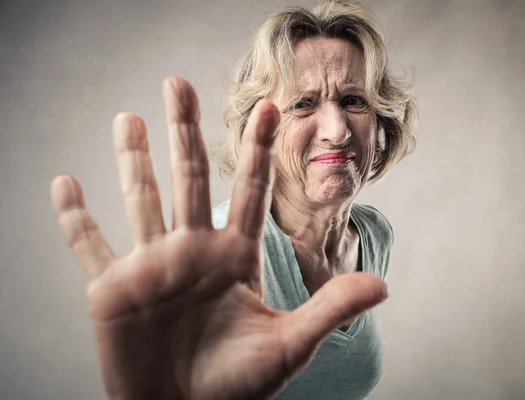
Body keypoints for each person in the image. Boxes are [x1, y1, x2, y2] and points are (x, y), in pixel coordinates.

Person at [50, 0, 415, 399]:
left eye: (353, 100)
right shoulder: (220, 259)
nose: (337, 130)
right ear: (261, 130)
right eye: (302, 103)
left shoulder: (374, 234)